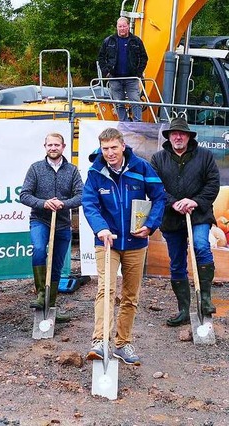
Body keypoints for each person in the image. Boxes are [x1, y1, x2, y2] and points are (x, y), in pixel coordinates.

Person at [83, 127, 165, 365]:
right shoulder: (96, 172)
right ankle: (100, 341)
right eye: (105, 149)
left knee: (130, 295)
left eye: (113, 148)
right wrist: (101, 228)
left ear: (123, 146)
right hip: (106, 242)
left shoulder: (141, 168)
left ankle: (122, 343)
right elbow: (89, 203)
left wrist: (150, 225)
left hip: (136, 242)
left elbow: (159, 196)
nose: (109, 153)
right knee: (105, 290)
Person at [150, 117, 220, 326]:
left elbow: (213, 183)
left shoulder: (205, 156)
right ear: (169, 137)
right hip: (171, 218)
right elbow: (155, 188)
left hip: (198, 214)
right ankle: (183, 310)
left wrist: (194, 201)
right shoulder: (158, 159)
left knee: (201, 246)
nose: (178, 137)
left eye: (182, 133)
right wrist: (173, 203)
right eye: (174, 134)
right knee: (177, 262)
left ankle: (205, 300)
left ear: (189, 136)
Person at [20, 133, 83, 323]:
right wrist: (44, 203)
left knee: (56, 264)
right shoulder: (36, 169)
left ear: (63, 147)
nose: (53, 148)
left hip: (63, 223)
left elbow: (81, 195)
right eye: (50, 145)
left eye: (57, 145)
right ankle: (41, 295)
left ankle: (51, 305)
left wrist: (63, 203)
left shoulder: (72, 170)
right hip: (40, 219)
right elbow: (24, 195)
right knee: (39, 250)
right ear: (45, 146)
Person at [98, 17, 148, 122]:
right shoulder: (109, 41)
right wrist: (106, 72)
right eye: (119, 26)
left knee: (136, 101)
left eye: (124, 26)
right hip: (115, 77)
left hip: (132, 77)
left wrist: (138, 72)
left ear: (128, 26)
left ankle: (137, 123)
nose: (122, 28)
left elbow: (144, 57)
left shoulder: (136, 41)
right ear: (116, 27)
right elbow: (101, 57)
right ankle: (123, 123)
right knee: (118, 102)